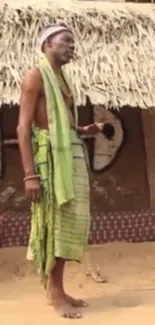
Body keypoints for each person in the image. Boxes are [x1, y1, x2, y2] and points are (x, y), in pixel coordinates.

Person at [17, 23, 103, 319]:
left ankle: (60, 289)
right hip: (50, 159)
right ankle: (54, 295)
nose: (72, 46)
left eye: (72, 42)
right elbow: (24, 127)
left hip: (69, 153)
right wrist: (30, 174)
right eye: (66, 41)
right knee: (53, 223)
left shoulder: (62, 79)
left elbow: (60, 122)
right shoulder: (35, 76)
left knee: (67, 225)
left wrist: (81, 129)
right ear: (47, 45)